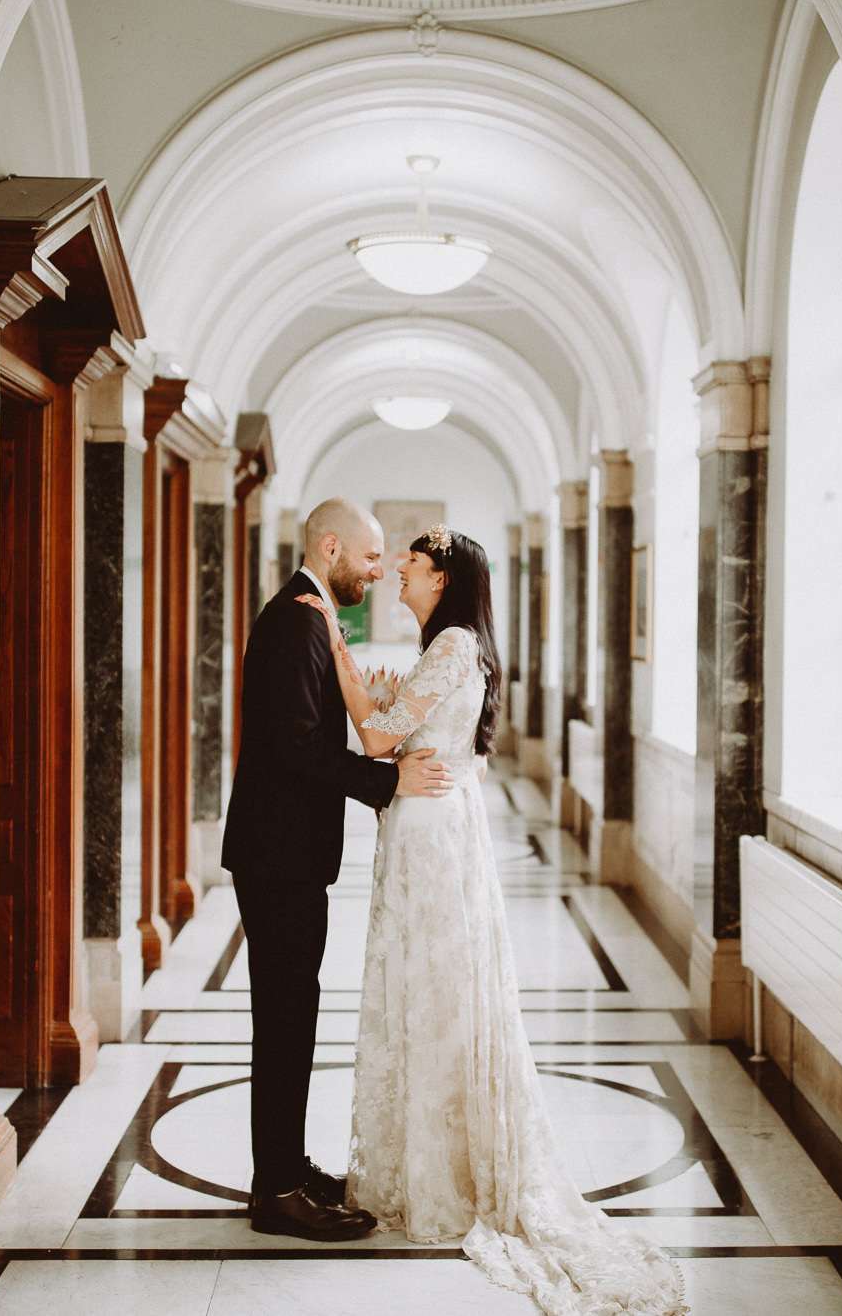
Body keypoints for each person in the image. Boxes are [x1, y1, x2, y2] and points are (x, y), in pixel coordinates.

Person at [298, 523, 688, 1315]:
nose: (398, 572)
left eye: (410, 563)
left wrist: (338, 652)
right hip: (426, 825)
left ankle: (441, 1174)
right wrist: (379, 695)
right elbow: (401, 730)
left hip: (432, 835)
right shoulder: (450, 646)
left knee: (435, 993)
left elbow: (376, 736)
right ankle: (423, 1162)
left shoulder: (451, 647)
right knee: (428, 992)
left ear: (441, 577)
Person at [221, 497, 454, 1243]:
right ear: (331, 547)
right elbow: (294, 746)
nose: (378, 570)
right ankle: (278, 1192)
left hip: (287, 854)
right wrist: (388, 782)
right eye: (370, 555)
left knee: (293, 1014)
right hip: (277, 856)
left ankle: (285, 1167)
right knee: (285, 1019)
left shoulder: (311, 615)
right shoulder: (297, 620)